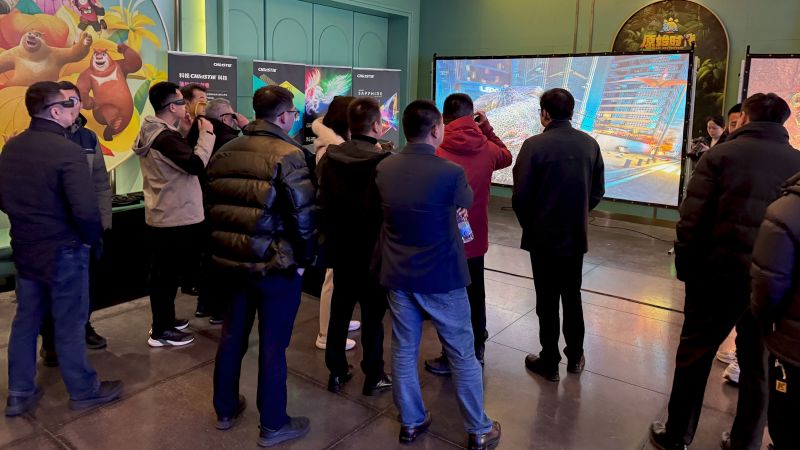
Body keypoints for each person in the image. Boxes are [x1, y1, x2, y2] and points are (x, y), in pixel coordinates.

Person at [650, 93, 800, 450]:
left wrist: (685, 269)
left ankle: (677, 434)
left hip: (715, 277)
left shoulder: (720, 155)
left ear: (745, 117)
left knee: (694, 357)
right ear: (784, 123)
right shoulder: (798, 162)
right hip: (772, 284)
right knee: (758, 366)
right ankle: (744, 440)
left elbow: (691, 220)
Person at [375, 100, 501, 449]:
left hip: (399, 272)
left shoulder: (386, 168)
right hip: (442, 275)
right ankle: (478, 428)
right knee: (462, 352)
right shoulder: (449, 173)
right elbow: (465, 201)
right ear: (435, 130)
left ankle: (411, 422)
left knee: (402, 349)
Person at [0, 81, 122, 416]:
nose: (75, 109)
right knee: (70, 322)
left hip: (25, 247)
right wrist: (91, 238)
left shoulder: (12, 148)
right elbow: (84, 209)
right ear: (55, 111)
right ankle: (84, 390)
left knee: (26, 320)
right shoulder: (67, 150)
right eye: (70, 103)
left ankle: (20, 392)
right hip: (64, 249)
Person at [207, 85, 315, 447]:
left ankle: (224, 408)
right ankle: (273, 422)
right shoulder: (290, 154)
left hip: (233, 263)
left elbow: (213, 210)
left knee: (232, 336)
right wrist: (304, 261)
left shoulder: (225, 151)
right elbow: (303, 218)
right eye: (294, 115)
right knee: (273, 346)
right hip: (275, 266)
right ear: (284, 116)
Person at [511, 88, 605, 382]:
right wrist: (577, 213)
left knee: (547, 299)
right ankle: (575, 357)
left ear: (545, 114)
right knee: (572, 295)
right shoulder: (590, 145)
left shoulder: (534, 146)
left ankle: (549, 360)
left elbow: (520, 197)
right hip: (574, 235)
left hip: (542, 238)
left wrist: (532, 224)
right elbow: (597, 191)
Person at [425, 93, 512, 376]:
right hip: (474, 239)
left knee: (446, 298)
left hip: (441, 238)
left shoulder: (435, 148)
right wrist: (486, 127)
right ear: (471, 114)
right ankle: (477, 350)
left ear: (443, 118)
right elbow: (507, 156)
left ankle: (450, 355)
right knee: (476, 294)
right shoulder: (487, 148)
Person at [317, 97, 392, 395]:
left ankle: (336, 372)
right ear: (377, 125)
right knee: (374, 316)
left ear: (349, 125)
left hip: (340, 246)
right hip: (374, 250)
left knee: (340, 310)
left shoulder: (329, 158)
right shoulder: (384, 161)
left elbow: (322, 200)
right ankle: (374, 374)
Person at [132, 81, 216, 347]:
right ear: (172, 107)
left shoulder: (154, 130)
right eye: (181, 101)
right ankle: (161, 330)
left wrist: (187, 130)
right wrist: (207, 135)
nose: (186, 105)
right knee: (165, 276)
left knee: (165, 273)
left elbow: (174, 159)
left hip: (163, 210)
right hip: (174, 215)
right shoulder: (165, 138)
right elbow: (194, 164)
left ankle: (166, 320)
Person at [39, 80, 112, 367]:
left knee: (86, 284)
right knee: (50, 289)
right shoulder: (42, 139)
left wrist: (103, 221)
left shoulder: (90, 138)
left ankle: (84, 326)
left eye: (76, 100)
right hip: (55, 231)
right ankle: (51, 341)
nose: (72, 106)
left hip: (86, 227)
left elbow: (100, 184)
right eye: (65, 101)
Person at [185, 97, 249, 324]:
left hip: (199, 205)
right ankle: (221, 310)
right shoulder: (230, 141)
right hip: (225, 207)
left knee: (207, 256)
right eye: (232, 115)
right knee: (225, 259)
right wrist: (247, 127)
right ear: (224, 118)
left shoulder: (193, 137)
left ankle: (204, 304)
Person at [750, 171, 800, 450]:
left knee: (787, 426)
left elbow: (768, 286)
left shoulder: (788, 209)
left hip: (792, 349)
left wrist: (766, 324)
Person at [311, 95, 360, 352]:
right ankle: (326, 334)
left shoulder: (335, 145)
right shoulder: (332, 150)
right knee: (332, 278)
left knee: (338, 278)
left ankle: (336, 322)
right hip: (334, 222)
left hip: (335, 221)